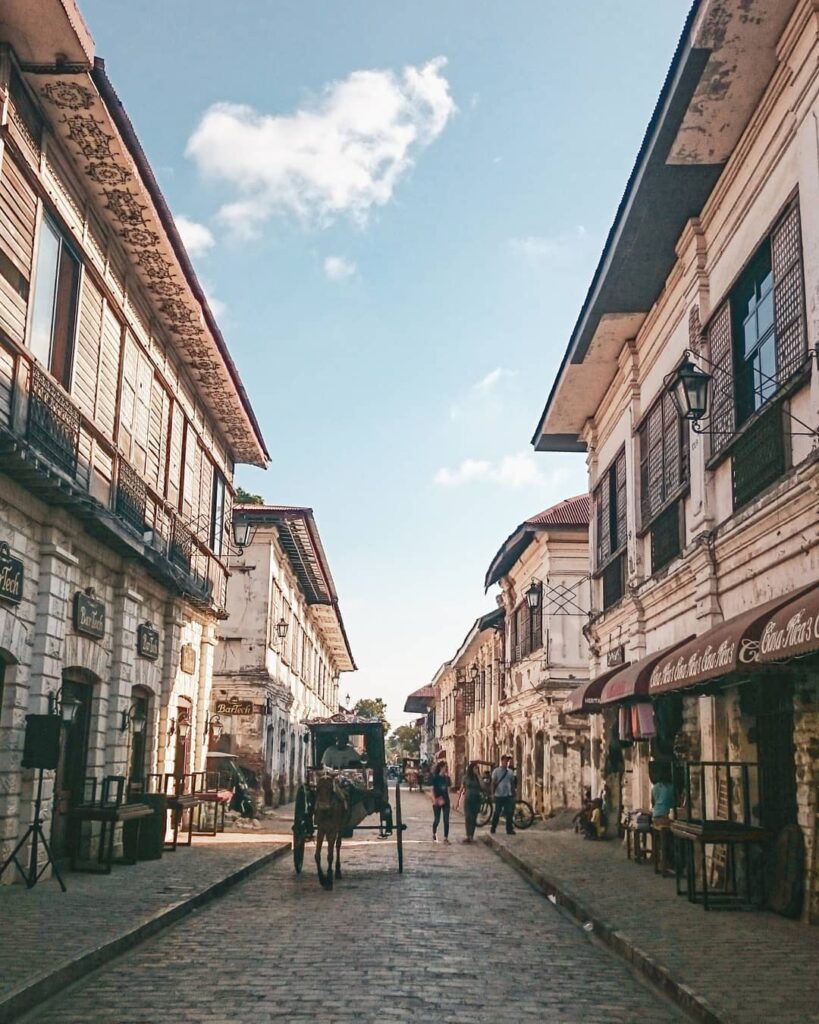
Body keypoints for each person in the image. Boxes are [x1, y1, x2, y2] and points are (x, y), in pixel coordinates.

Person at [456, 761, 484, 842]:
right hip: (468, 799)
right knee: (468, 817)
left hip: (476, 799)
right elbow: (461, 789)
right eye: (475, 768)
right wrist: (457, 802)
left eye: (477, 768)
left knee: (474, 818)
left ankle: (471, 835)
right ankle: (468, 835)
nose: (476, 769)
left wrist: (478, 775)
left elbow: (482, 786)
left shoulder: (478, 778)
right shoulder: (466, 777)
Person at [490, 754, 516, 835]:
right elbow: (493, 783)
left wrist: (514, 794)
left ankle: (509, 829)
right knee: (497, 812)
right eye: (505, 761)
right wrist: (492, 794)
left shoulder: (510, 772)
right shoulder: (496, 771)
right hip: (499, 795)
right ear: (501, 761)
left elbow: (512, 784)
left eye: (508, 761)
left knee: (509, 812)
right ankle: (493, 828)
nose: (507, 762)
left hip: (508, 795)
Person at [429, 760, 452, 843]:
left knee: (446, 820)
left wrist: (445, 799)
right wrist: (435, 799)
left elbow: (448, 790)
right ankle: (434, 833)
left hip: (445, 801)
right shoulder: (435, 778)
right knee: (437, 820)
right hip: (437, 801)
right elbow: (432, 790)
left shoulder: (447, 778)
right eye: (445, 767)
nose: (446, 768)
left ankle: (445, 837)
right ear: (441, 768)